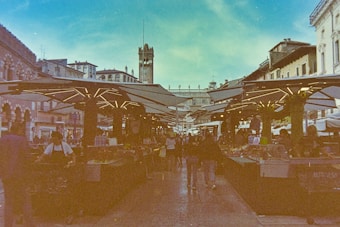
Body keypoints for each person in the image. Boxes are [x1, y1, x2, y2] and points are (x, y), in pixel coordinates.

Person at [0, 122, 35, 227]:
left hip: (7, 176)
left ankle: (8, 225)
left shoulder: (2, 140)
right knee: (24, 200)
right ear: (19, 129)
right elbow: (27, 159)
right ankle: (30, 224)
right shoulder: (22, 140)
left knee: (9, 201)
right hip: (20, 175)